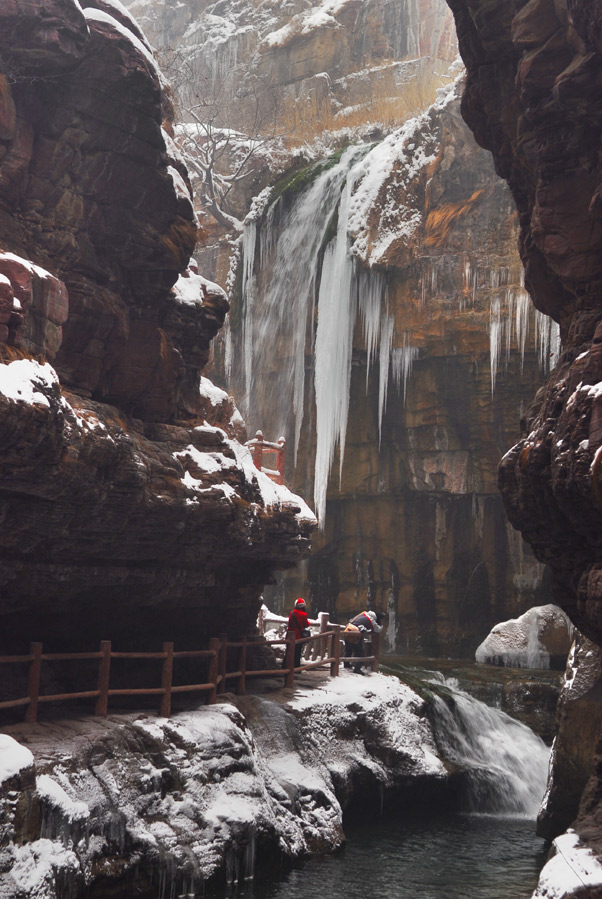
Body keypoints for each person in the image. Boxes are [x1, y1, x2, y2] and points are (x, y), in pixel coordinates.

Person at [344, 609, 384, 674]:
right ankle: (357, 668)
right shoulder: (371, 620)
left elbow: (351, 620)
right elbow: (378, 630)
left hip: (348, 629)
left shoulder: (363, 614)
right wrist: (381, 625)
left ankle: (346, 664)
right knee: (359, 652)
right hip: (355, 633)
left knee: (348, 649)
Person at [284, 597, 310, 669]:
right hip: (298, 636)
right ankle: (296, 667)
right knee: (297, 652)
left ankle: (285, 666)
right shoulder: (304, 614)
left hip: (290, 635)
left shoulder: (292, 613)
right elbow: (306, 624)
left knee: (288, 651)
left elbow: (290, 623)